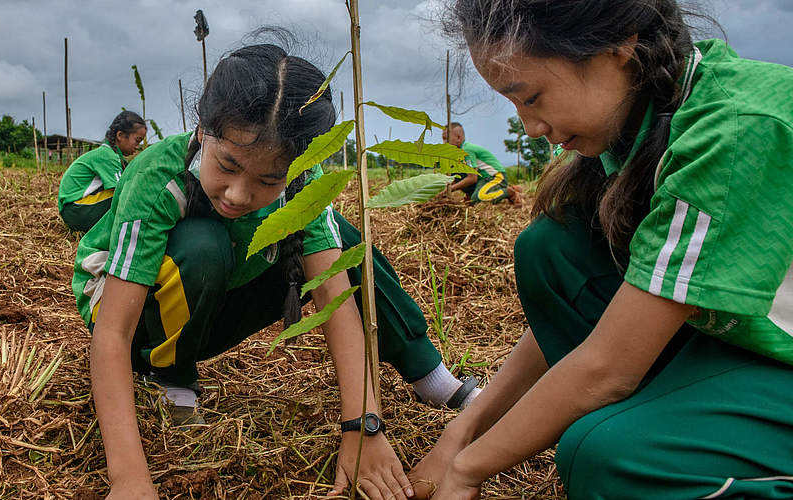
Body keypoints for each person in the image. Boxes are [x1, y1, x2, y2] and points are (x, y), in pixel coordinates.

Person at [410, 1, 793, 498]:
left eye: (532, 97)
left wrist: (466, 471)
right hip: (736, 340)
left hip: (775, 358)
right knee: (551, 249)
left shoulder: (737, 129)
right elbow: (613, 326)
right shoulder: (641, 119)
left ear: (619, 44)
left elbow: (608, 367)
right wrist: (459, 435)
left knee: (611, 459)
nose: (530, 127)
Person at [75, 43, 480, 500]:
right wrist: (128, 480)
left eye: (269, 181)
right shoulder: (157, 178)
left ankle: (431, 376)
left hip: (217, 299)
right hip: (139, 321)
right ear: (204, 130)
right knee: (202, 245)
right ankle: (170, 373)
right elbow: (112, 333)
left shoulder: (303, 181)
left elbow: (334, 295)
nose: (238, 194)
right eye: (227, 166)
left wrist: (362, 427)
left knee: (345, 242)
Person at [57, 110, 147, 231]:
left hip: (73, 211)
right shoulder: (107, 155)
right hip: (76, 211)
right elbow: (122, 193)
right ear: (120, 136)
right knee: (126, 194)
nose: (138, 146)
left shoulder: (114, 156)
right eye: (137, 140)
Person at [442, 123, 521, 206]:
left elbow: (472, 178)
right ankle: (471, 195)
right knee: (456, 174)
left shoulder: (466, 151)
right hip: (482, 180)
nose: (444, 143)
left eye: (446, 139)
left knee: (479, 199)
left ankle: (510, 192)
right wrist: (444, 189)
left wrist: (450, 189)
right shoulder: (458, 154)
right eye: (443, 139)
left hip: (494, 176)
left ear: (458, 138)